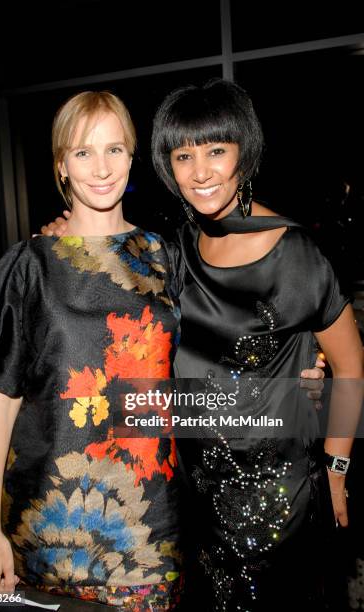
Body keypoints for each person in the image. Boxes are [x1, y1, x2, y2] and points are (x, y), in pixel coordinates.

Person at [43, 79, 364, 612]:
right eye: (183, 155)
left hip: (276, 496)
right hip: (197, 492)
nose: (200, 171)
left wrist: (337, 468)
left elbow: (351, 366)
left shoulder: (295, 255)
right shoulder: (181, 246)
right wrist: (65, 231)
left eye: (217, 150)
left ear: (245, 150)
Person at [0, 91, 185, 611]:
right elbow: (0, 403)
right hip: (42, 527)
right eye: (83, 152)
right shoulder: (31, 264)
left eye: (114, 150)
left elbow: (210, 356)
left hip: (149, 529)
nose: (101, 168)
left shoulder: (164, 258)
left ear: (132, 157)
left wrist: (302, 365)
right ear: (61, 164)